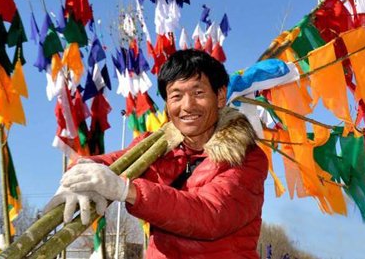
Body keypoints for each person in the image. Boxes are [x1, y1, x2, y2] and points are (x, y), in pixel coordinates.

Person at [46, 49, 268, 258]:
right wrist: (77, 174)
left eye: (198, 93)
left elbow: (210, 215)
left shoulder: (246, 156)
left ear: (220, 96)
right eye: (176, 96)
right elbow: (109, 162)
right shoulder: (156, 148)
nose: (187, 106)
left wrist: (127, 190)